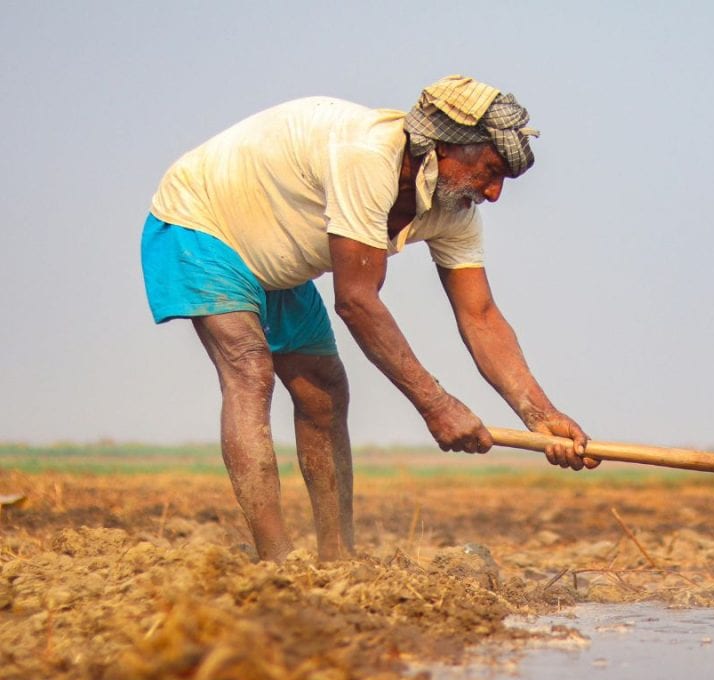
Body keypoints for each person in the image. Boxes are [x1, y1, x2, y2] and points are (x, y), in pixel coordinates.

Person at [141, 76, 598, 563]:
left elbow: (480, 315)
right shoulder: (366, 158)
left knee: (324, 390)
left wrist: (540, 416)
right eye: (490, 171)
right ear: (444, 146)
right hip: (202, 222)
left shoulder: (455, 210)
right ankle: (276, 563)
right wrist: (436, 405)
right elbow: (356, 301)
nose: (493, 192)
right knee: (250, 371)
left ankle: (337, 561)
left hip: (275, 253)